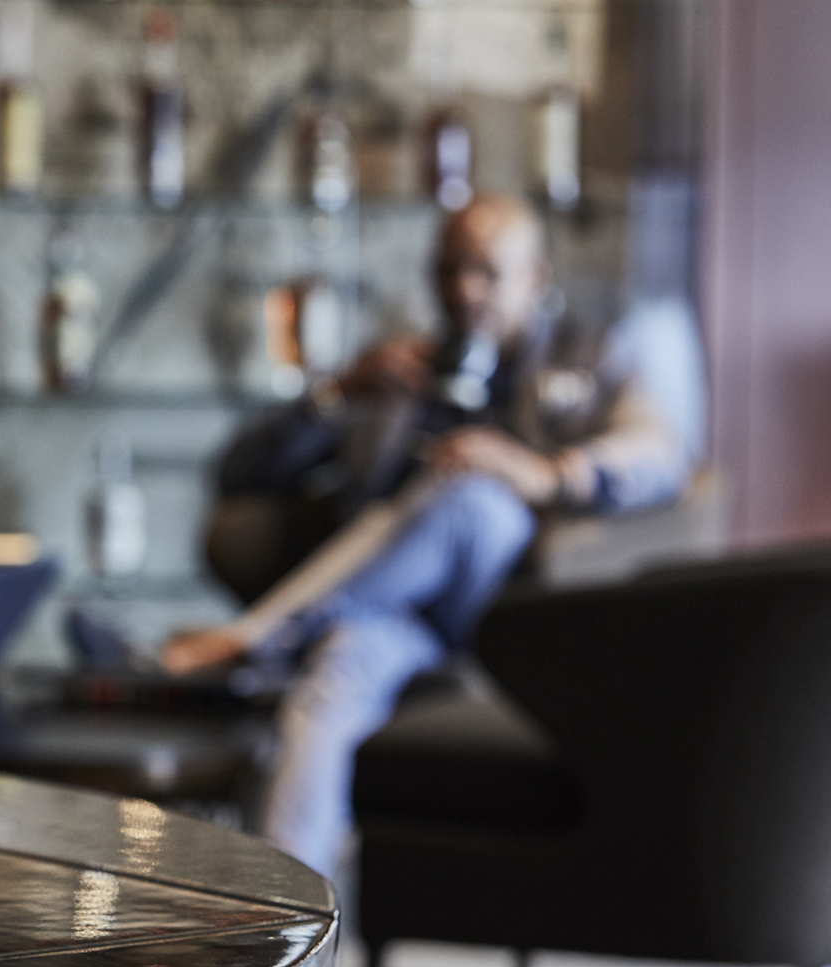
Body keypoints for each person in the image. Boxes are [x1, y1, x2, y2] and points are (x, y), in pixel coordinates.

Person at [159, 195, 689, 875]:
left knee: (472, 495)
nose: (463, 291)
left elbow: (661, 454)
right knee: (325, 693)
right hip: (394, 618)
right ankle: (287, 927)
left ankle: (260, 639)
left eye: (487, 273)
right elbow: (237, 473)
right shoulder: (403, 369)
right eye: (448, 270)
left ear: (537, 277)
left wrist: (542, 473)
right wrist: (341, 390)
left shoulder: (590, 355)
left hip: (499, 614)